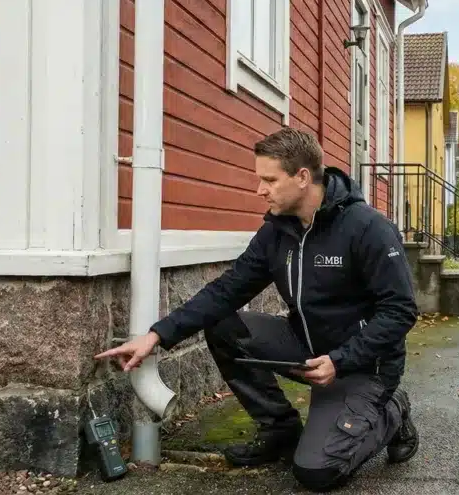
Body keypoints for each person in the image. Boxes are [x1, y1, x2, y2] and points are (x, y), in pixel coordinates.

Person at [95, 127, 420, 492]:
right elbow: (227, 290)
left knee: (317, 472)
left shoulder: (368, 228)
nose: (259, 190)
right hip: (307, 349)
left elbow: (400, 311)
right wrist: (156, 335)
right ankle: (279, 429)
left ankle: (393, 410)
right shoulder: (278, 231)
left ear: (301, 177)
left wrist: (342, 360)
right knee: (223, 325)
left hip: (363, 366)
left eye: (269, 179)